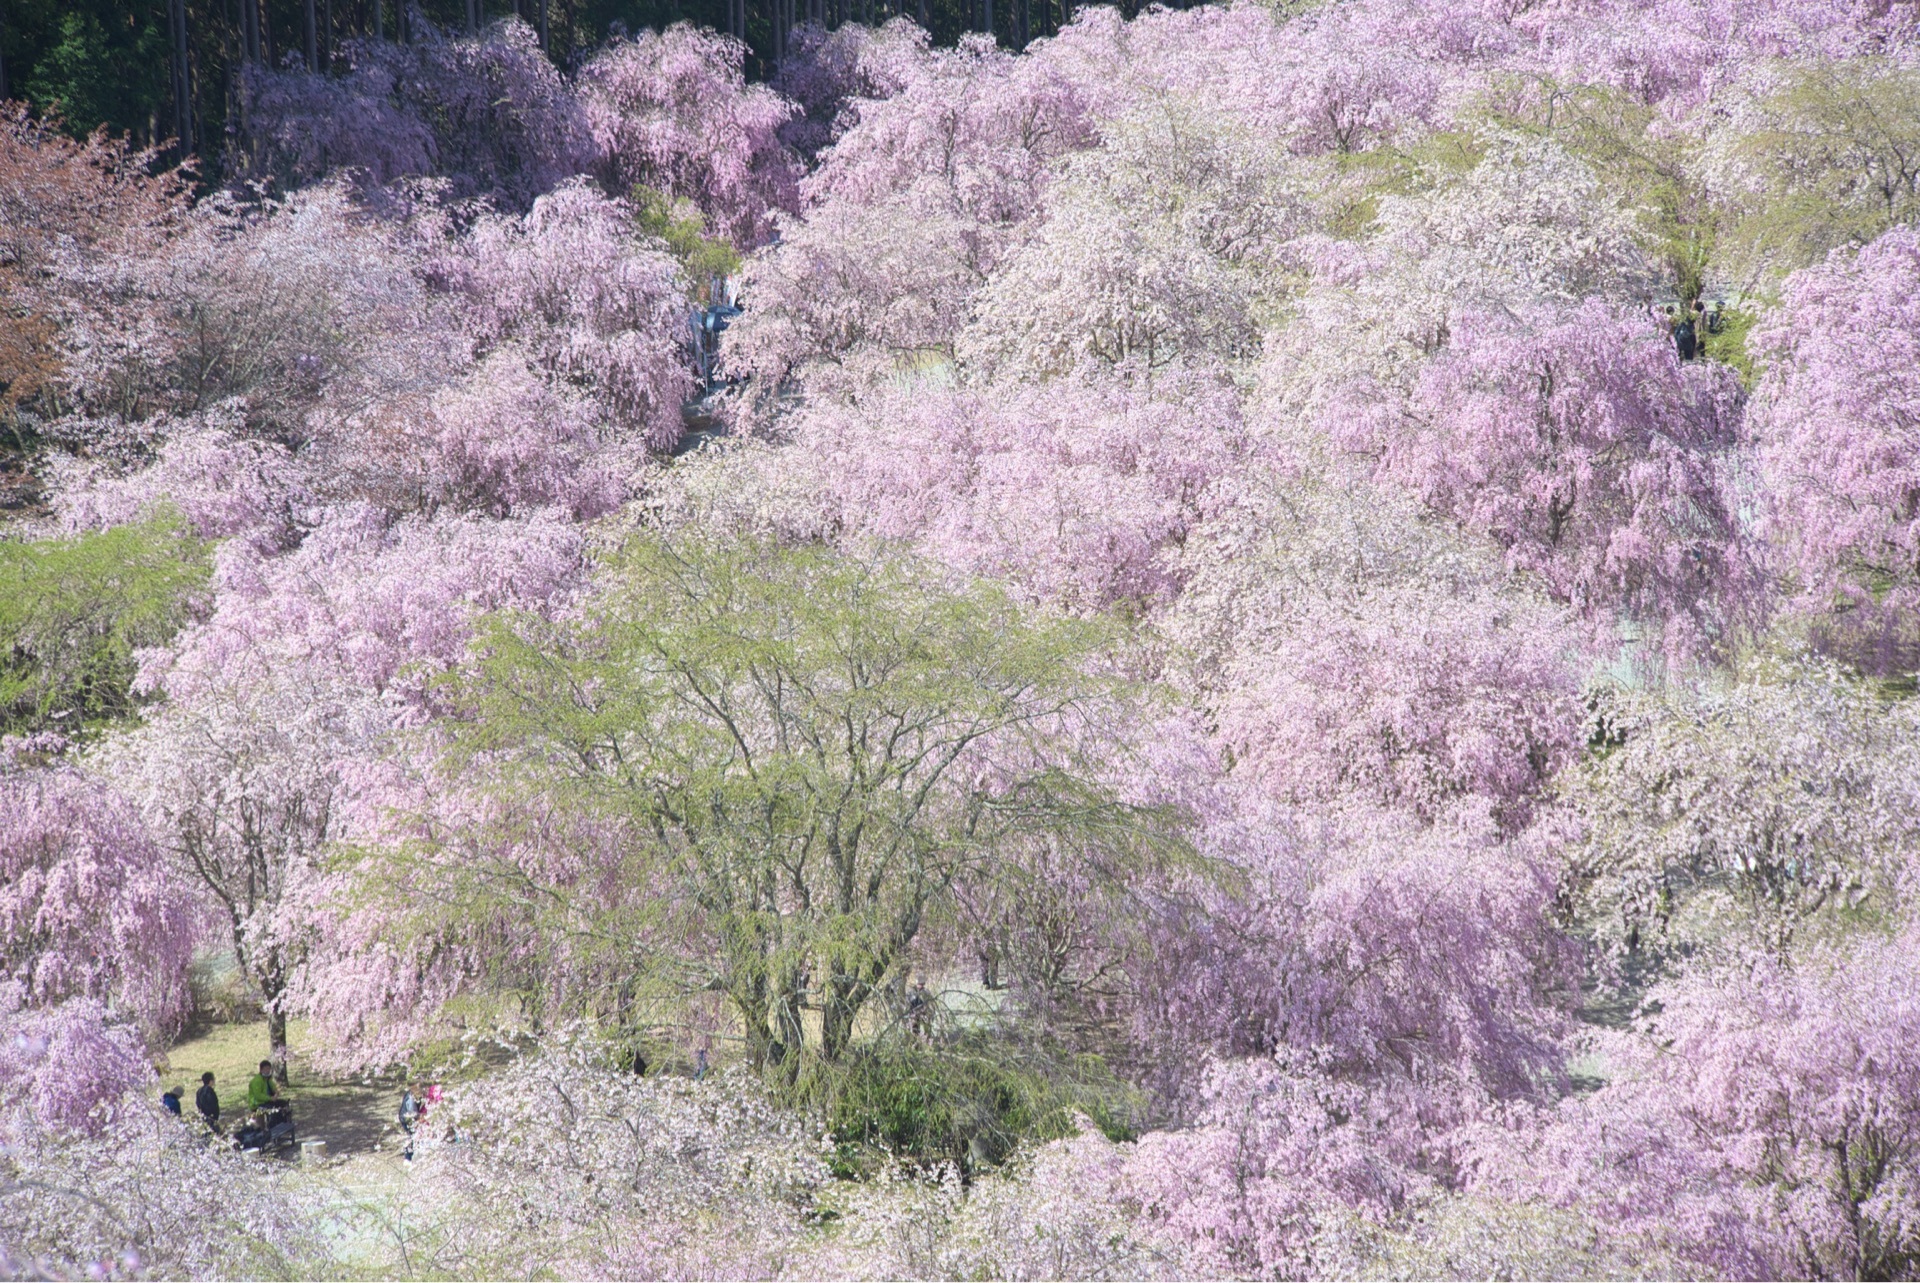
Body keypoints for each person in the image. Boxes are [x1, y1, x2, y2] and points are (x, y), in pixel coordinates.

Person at [398, 1083, 422, 1161]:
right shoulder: (411, 1098)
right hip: (406, 1119)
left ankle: (411, 1155)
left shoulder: (412, 1094)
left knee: (412, 1136)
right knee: (412, 1136)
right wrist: (419, 1119)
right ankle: (408, 1157)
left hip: (406, 1116)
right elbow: (413, 1113)